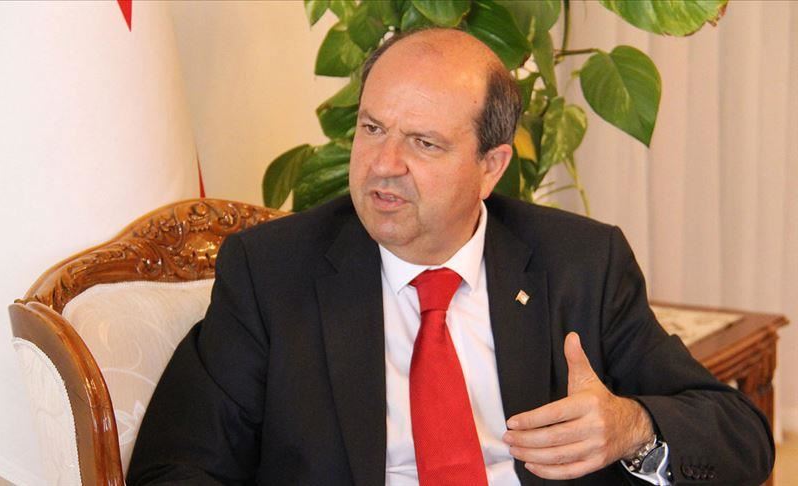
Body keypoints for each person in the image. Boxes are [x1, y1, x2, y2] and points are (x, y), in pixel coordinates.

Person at [128, 29, 774, 485]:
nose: (384, 164)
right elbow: (175, 467)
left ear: (491, 166)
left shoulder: (579, 263)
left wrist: (632, 426)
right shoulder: (272, 272)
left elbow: (740, 435)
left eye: (424, 143)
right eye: (373, 128)